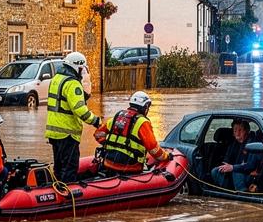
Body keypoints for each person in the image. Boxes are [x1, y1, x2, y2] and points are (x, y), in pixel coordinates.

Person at [44, 51, 101, 182]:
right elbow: (80, 110)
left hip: (54, 132)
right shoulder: (73, 84)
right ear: (77, 67)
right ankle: (68, 191)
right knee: (70, 167)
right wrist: (96, 121)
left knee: (59, 167)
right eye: (82, 69)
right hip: (67, 133)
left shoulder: (56, 79)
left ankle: (58, 187)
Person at [94, 90, 172, 175]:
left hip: (108, 163)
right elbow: (153, 149)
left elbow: (98, 134)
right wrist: (166, 156)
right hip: (130, 167)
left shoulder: (117, 117)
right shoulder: (142, 123)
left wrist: (109, 144)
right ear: (145, 106)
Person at [210, 119, 263, 192]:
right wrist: (226, 166)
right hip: (235, 170)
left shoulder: (253, 144)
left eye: (240, 130)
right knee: (215, 171)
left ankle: (243, 194)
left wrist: (233, 167)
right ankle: (227, 193)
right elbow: (226, 159)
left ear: (247, 131)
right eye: (235, 131)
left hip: (249, 174)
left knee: (236, 172)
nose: (237, 134)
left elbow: (251, 165)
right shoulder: (233, 144)